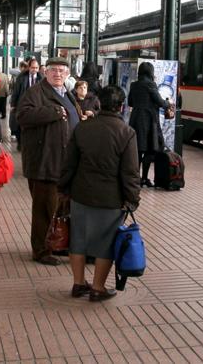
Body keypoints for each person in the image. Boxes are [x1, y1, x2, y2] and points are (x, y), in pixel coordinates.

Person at [59, 85, 141, 301]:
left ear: (100, 104)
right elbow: (130, 172)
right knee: (105, 244)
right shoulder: (127, 133)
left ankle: (78, 284)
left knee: (78, 239)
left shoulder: (83, 128)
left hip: (81, 192)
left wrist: (64, 188)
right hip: (110, 198)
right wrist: (132, 199)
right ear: (121, 106)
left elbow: (69, 163)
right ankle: (97, 288)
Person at [16, 56, 80, 265]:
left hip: (64, 162)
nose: (58, 74)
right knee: (44, 208)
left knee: (59, 207)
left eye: (62, 70)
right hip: (44, 162)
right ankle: (41, 251)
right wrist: (52, 112)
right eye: (53, 70)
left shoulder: (68, 94)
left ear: (68, 74)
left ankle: (56, 244)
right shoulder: (35, 93)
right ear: (45, 72)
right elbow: (22, 116)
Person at [127, 61, 171, 187]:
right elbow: (160, 102)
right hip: (149, 121)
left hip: (135, 120)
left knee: (137, 149)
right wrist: (168, 103)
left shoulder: (133, 85)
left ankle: (136, 177)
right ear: (151, 72)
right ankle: (144, 178)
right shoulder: (151, 84)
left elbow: (130, 102)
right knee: (149, 150)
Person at [9, 57, 39, 142]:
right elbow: (16, 92)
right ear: (29, 67)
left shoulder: (41, 78)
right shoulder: (21, 78)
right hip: (23, 104)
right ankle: (21, 140)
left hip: (36, 105)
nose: (35, 70)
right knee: (21, 122)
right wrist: (13, 104)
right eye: (33, 68)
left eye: (36, 68)